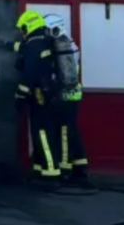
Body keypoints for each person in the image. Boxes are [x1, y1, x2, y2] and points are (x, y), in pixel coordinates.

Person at [14, 9, 61, 183]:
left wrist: (20, 95)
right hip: (51, 95)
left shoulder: (33, 46)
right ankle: (40, 168)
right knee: (42, 132)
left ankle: (50, 172)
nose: (21, 33)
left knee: (42, 133)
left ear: (28, 27)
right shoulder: (46, 42)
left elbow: (29, 74)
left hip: (41, 97)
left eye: (22, 29)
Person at [44, 14, 90, 185]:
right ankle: (80, 166)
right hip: (74, 95)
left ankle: (64, 170)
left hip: (63, 96)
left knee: (63, 133)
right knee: (71, 131)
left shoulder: (57, 47)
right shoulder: (72, 45)